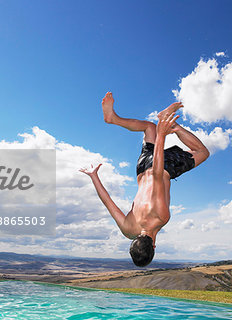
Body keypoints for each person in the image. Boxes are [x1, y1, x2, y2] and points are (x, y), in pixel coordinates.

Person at [80, 92, 210, 267]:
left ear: (154, 247)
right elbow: (107, 201)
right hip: (142, 168)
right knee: (149, 127)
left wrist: (163, 135)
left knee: (203, 153)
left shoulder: (160, 217)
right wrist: (94, 176)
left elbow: (157, 176)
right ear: (132, 244)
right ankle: (113, 118)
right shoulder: (128, 230)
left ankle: (173, 125)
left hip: (161, 167)